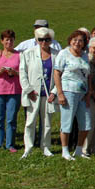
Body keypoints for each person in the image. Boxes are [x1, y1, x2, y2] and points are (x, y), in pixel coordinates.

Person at [19, 27, 58, 158]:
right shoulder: (28, 53)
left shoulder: (56, 54)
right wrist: (28, 89)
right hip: (33, 93)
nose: (44, 42)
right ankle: (28, 147)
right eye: (41, 40)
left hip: (48, 94)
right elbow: (22, 73)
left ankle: (46, 146)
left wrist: (54, 91)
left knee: (47, 122)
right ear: (36, 40)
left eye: (47, 39)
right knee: (30, 122)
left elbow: (61, 75)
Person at [54, 30, 92, 161]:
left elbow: (88, 76)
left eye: (80, 40)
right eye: (75, 40)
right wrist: (60, 93)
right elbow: (57, 73)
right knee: (67, 122)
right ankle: (65, 150)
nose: (77, 42)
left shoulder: (85, 56)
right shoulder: (63, 54)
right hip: (68, 91)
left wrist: (88, 93)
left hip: (83, 93)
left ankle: (79, 150)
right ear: (70, 41)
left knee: (86, 124)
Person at [0, 29, 22, 152]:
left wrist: (14, 72)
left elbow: (24, 73)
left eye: (11, 40)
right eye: (6, 40)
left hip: (14, 91)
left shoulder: (19, 55)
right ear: (2, 41)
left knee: (11, 118)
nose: (9, 42)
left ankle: (10, 144)